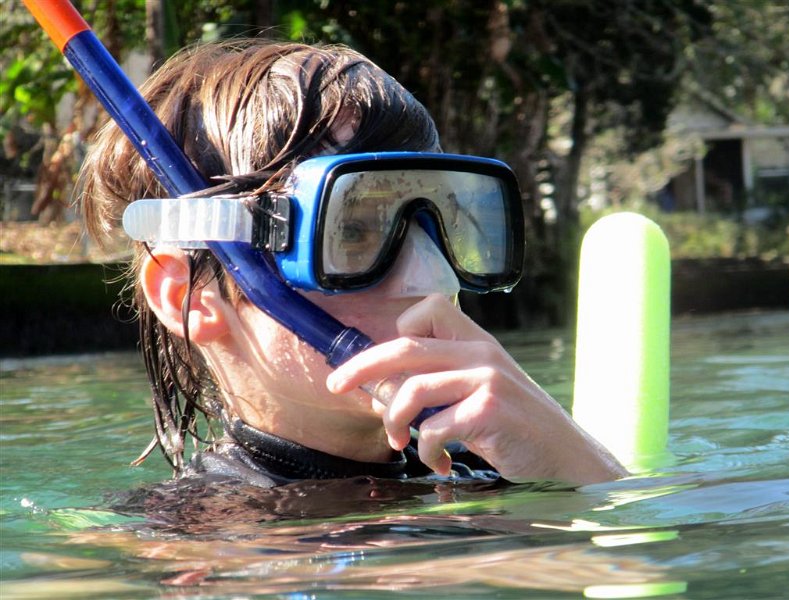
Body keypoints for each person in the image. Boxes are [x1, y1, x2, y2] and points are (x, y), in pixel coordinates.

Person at [78, 39, 625, 488]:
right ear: (190, 298)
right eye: (355, 231)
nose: (434, 278)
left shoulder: (499, 464)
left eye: (445, 225)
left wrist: (575, 465)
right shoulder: (190, 546)